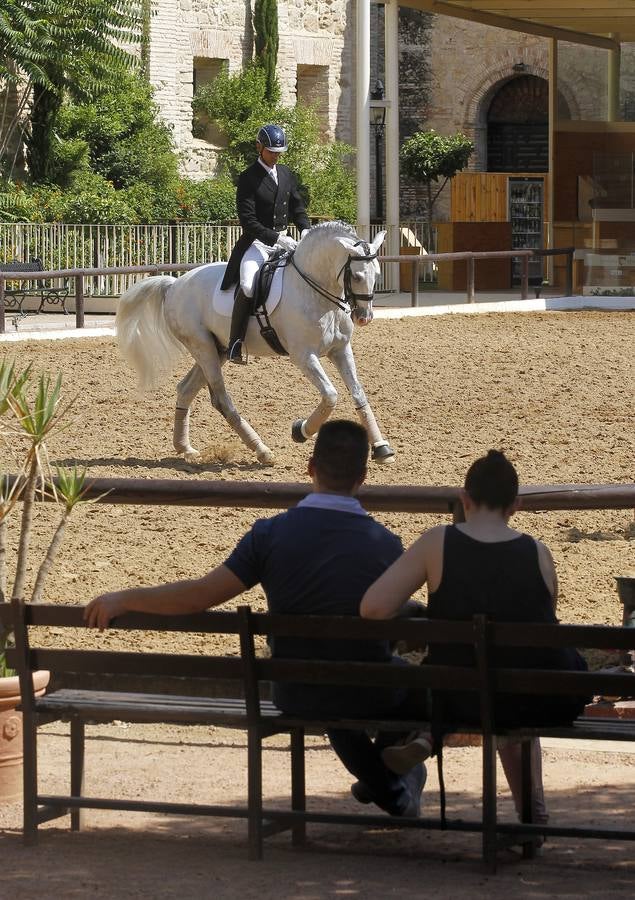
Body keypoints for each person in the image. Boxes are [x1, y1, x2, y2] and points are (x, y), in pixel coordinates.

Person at [84, 419, 426, 818]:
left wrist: (125, 598)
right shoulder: (386, 544)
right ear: (363, 478)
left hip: (294, 689)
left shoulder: (269, 535)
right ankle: (391, 784)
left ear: (310, 468)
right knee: (411, 688)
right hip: (366, 690)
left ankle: (389, 788)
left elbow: (200, 595)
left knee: (329, 689)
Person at [360, 448, 588, 831]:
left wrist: (422, 609)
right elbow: (545, 627)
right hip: (536, 699)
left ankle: (427, 736)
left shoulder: (438, 542)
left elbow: (373, 608)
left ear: (464, 499)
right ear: (514, 505)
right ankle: (532, 812)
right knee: (511, 680)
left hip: (460, 696)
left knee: (439, 681)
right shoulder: (539, 553)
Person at [220, 123, 311, 364]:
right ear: (259, 147)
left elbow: (297, 207)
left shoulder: (286, 174)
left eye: (279, 152)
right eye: (271, 151)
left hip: (285, 241)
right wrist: (275, 237)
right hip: (257, 244)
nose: (275, 156)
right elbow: (248, 221)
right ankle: (235, 344)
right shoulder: (248, 178)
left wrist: (305, 230)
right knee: (249, 285)